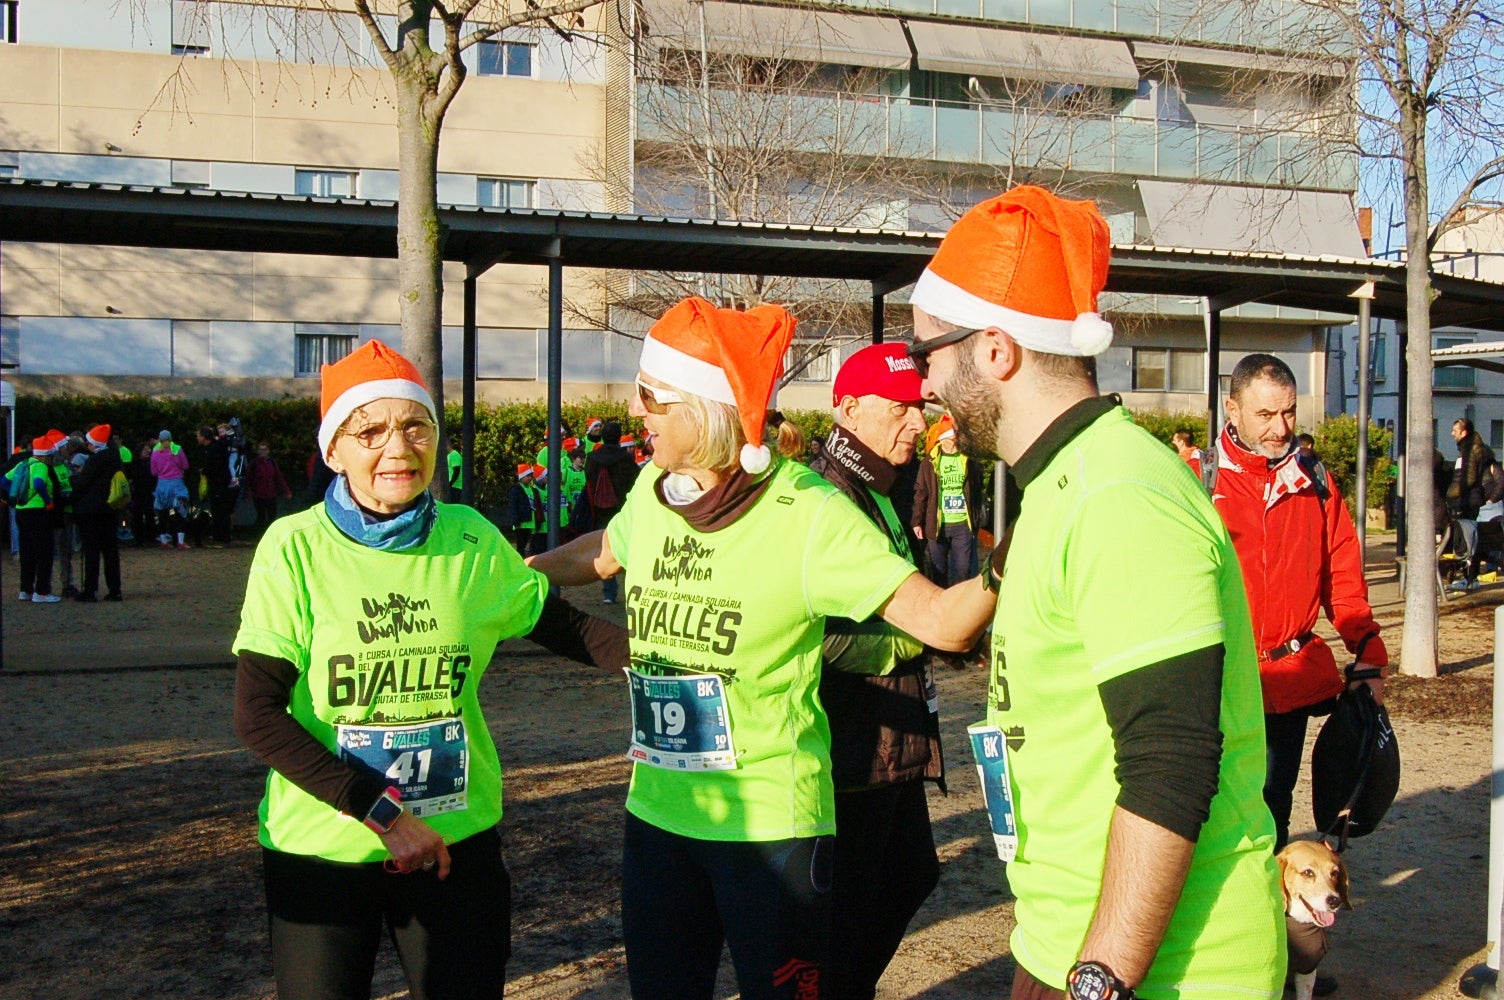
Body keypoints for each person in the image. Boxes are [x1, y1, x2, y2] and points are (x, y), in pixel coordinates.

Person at [529, 296, 997, 1000]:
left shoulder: (809, 512)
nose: (636, 409)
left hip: (772, 830)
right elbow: (607, 550)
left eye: (652, 396)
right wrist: (521, 575)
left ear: (707, 408)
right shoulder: (656, 492)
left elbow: (942, 622)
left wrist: (1011, 562)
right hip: (657, 813)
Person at [906, 185, 1283, 1000]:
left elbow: (1172, 763)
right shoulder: (1055, 486)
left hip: (1169, 970)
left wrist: (1097, 979)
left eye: (925, 351)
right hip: (1069, 939)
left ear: (995, 350)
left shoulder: (1118, 492)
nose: (921, 380)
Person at [231, 340, 625, 1000]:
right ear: (334, 449)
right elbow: (257, 716)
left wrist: (688, 662)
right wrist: (383, 813)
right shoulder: (292, 548)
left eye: (417, 426)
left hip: (454, 841)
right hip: (326, 844)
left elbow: (570, 629)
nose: (398, 449)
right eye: (371, 431)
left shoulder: (471, 538)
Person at [808, 342, 942, 1000]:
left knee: (912, 874)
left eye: (919, 408)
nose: (917, 423)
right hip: (851, 743)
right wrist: (915, 640)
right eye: (902, 409)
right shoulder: (823, 495)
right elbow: (813, 636)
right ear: (848, 409)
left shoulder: (886, 484)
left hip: (893, 735)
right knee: (849, 907)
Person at [1211, 355, 1387, 849]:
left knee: (1273, 810)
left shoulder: (1315, 480)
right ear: (1233, 409)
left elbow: (1343, 576)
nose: (1279, 427)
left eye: (1288, 413)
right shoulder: (1197, 481)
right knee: (1206, 812)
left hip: (1287, 684)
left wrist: (1368, 649)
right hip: (1215, 681)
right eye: (1265, 415)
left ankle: (1270, 919)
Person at [912, 415, 983, 587]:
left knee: (963, 571)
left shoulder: (969, 461)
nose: (958, 440)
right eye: (954, 437)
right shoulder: (929, 463)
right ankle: (940, 606)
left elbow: (977, 487)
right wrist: (917, 521)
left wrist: (976, 516)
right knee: (938, 571)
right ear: (945, 439)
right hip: (937, 526)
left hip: (962, 525)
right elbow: (921, 493)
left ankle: (959, 608)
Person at [582, 419, 639, 604]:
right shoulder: (626, 459)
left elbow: (588, 480)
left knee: (605, 549)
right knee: (631, 548)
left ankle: (609, 593)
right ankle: (633, 590)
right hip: (623, 509)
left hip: (599, 510)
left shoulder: (592, 458)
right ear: (619, 437)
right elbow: (635, 482)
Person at [69, 423, 124, 603]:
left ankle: (90, 589)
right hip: (109, 508)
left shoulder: (95, 460)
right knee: (110, 551)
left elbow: (81, 484)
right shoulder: (115, 458)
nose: (88, 446)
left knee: (91, 551)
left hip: (90, 511)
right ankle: (114, 589)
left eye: (90, 443)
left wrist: (75, 478)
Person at [7, 433, 62, 603]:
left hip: (21, 510)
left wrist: (15, 495)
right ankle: (42, 591)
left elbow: (4, 480)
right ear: (46, 455)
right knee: (44, 552)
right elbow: (38, 483)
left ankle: (26, 589)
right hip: (38, 512)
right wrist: (47, 501)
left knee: (27, 552)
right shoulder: (41, 466)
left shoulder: (23, 463)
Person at [1446, 417, 1496, 520]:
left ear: (1464, 433)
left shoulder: (1469, 451)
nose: (1452, 434)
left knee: (1465, 531)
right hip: (1471, 499)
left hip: (1467, 501)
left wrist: (1451, 494)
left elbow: (1467, 478)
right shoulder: (1472, 449)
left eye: (1455, 431)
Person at [243, 442, 293, 534]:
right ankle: (259, 534)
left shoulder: (272, 463)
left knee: (272, 516)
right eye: (261, 450)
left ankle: (268, 533)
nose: (263, 452)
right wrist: (246, 494)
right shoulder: (254, 464)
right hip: (258, 494)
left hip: (271, 494)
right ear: (258, 451)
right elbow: (248, 479)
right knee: (261, 516)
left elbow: (279, 477)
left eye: (264, 449)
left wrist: (287, 491)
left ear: (268, 451)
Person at [199, 424, 237, 547]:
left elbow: (214, 467)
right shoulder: (216, 447)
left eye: (199, 436)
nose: (198, 438)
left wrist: (204, 471)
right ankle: (222, 536)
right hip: (219, 483)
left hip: (218, 483)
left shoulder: (213, 449)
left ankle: (221, 537)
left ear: (204, 437)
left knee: (220, 510)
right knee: (220, 510)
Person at [151, 430, 190, 549]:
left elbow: (153, 472)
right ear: (171, 439)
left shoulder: (155, 452)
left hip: (162, 484)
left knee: (162, 513)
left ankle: (163, 542)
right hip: (177, 484)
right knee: (180, 513)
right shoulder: (178, 449)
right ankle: (180, 542)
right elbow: (186, 466)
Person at [506, 463, 539, 555]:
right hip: (521, 523)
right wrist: (515, 521)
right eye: (528, 476)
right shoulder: (516, 488)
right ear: (522, 476)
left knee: (525, 543)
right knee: (521, 544)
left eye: (531, 476)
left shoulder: (531, 489)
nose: (530, 478)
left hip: (530, 521)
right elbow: (513, 505)